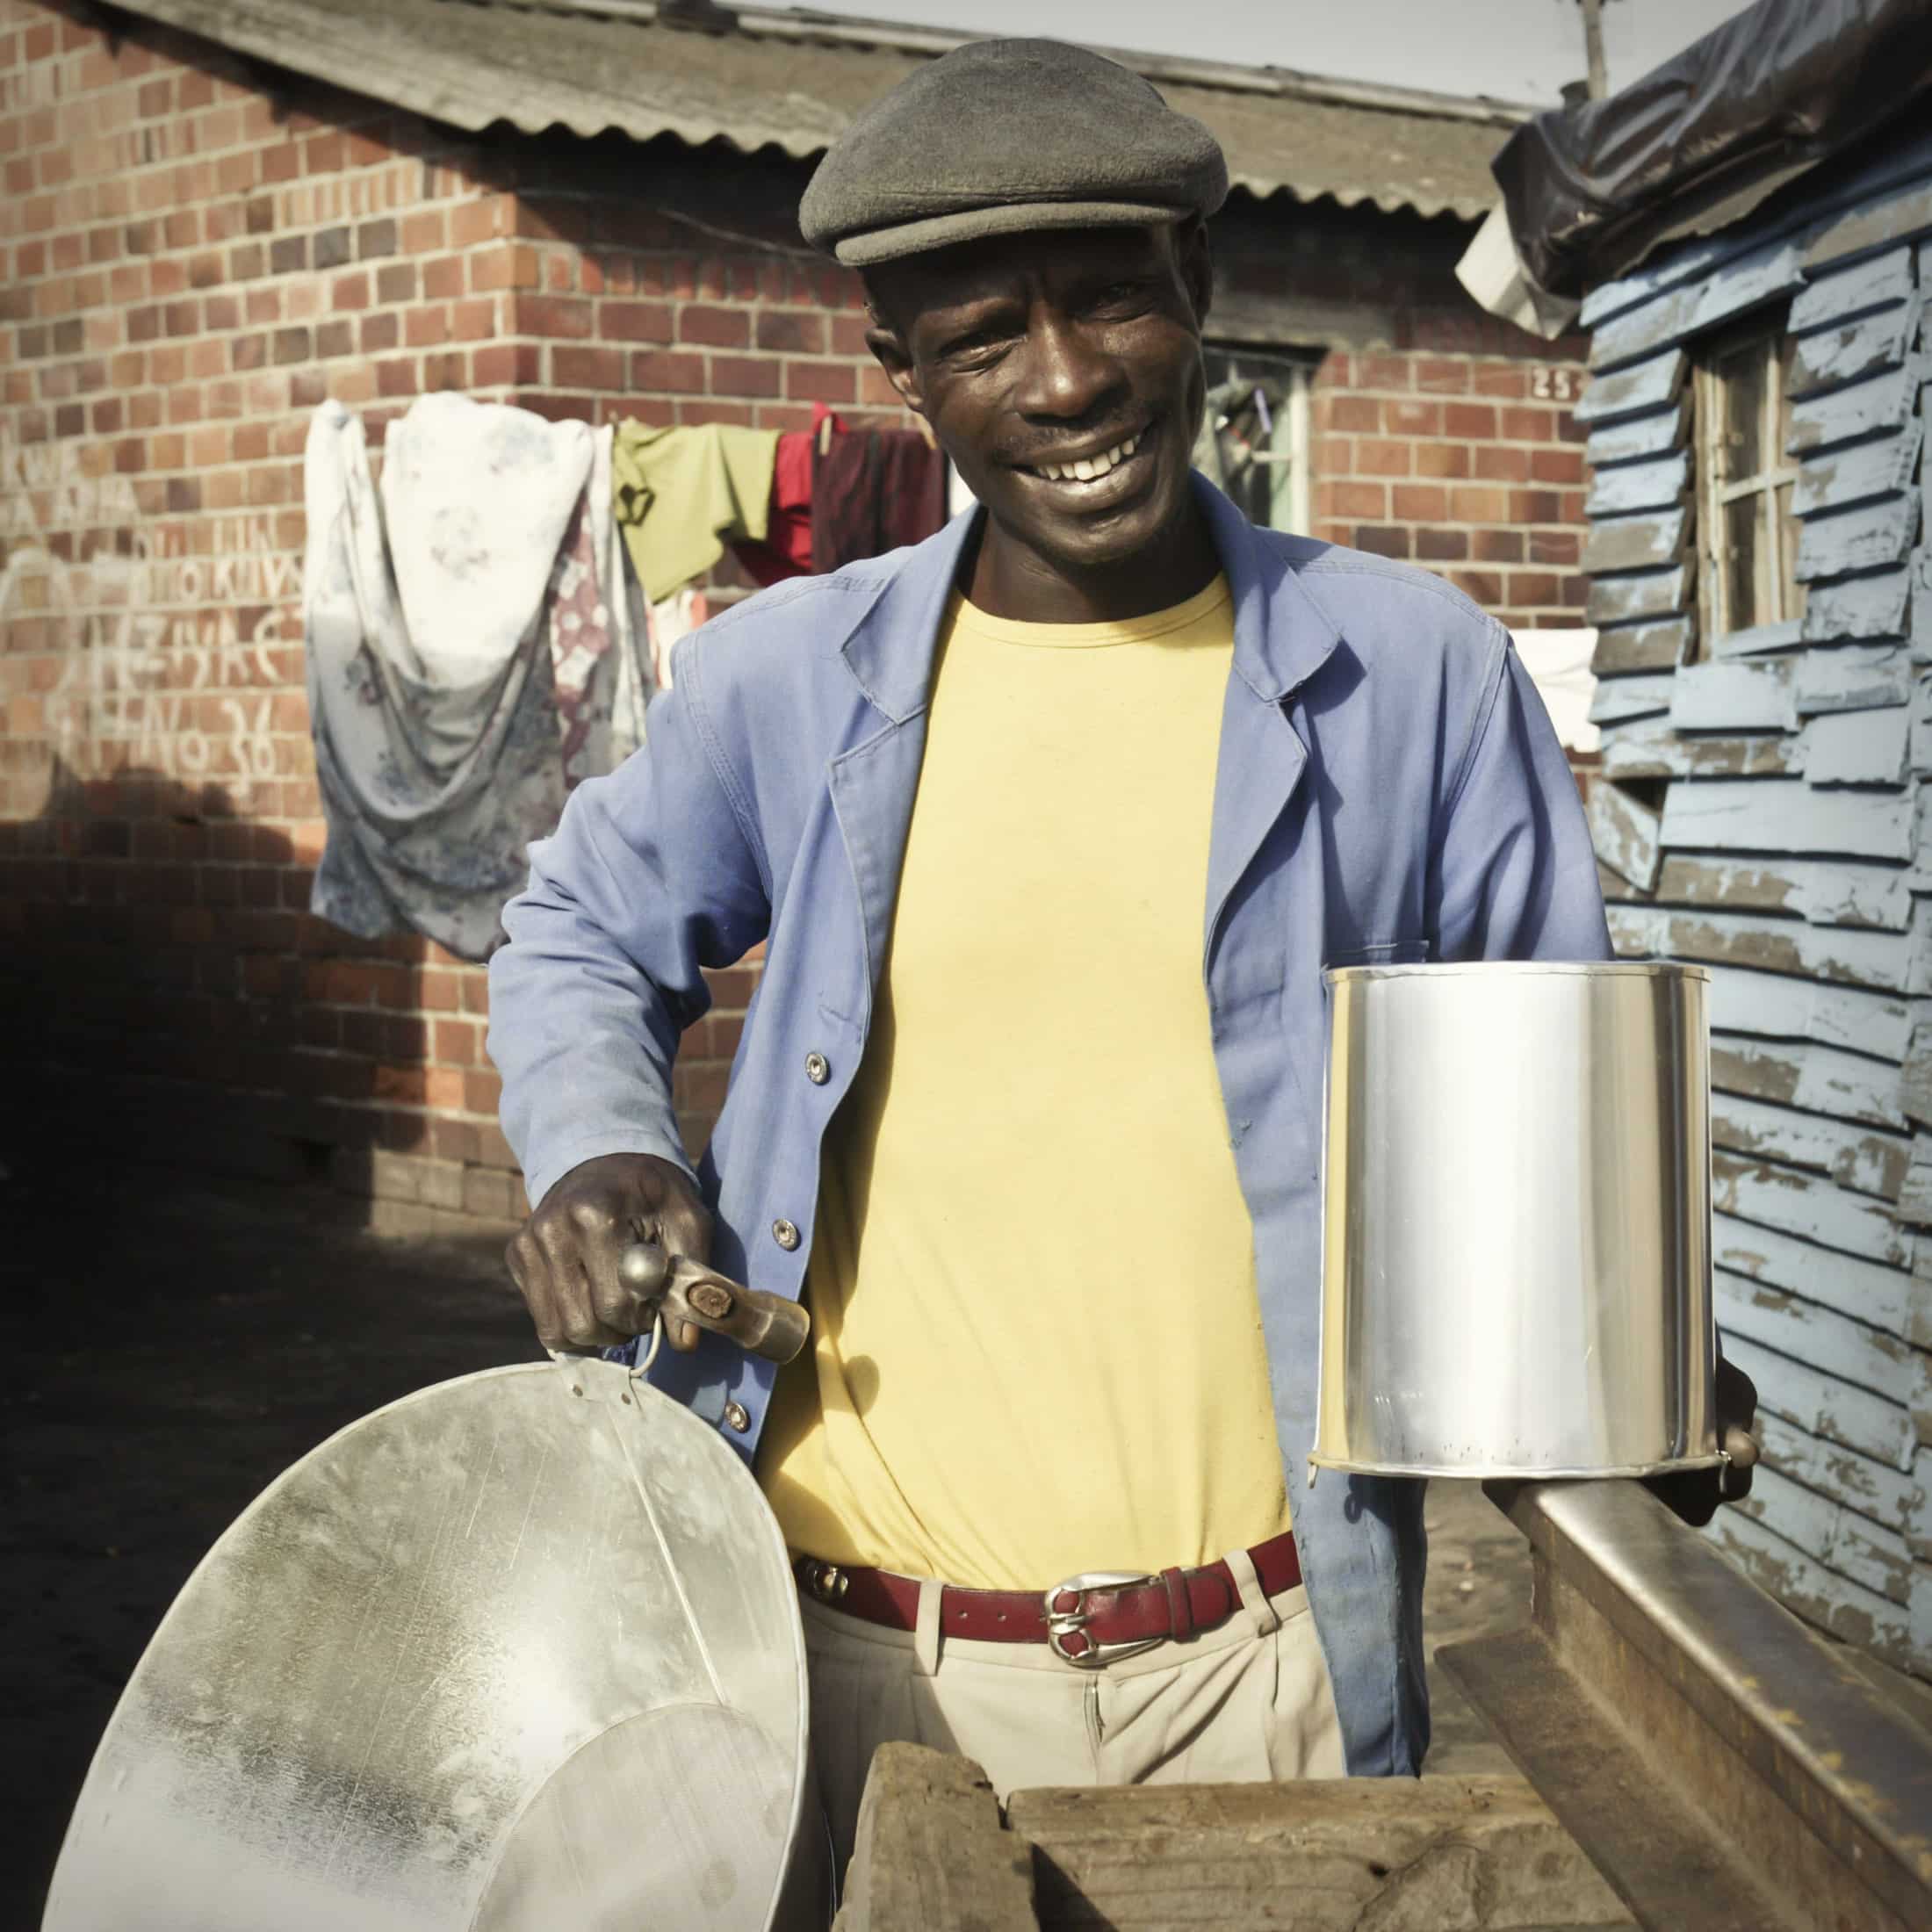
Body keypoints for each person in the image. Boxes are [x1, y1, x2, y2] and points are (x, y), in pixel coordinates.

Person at [487, 36, 1757, 1869]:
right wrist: (601, 1142)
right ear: (900, 370)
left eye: (1107, 305)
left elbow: (1541, 1109)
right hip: (845, 1652)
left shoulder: (1408, 676)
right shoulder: (785, 682)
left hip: (1266, 1660)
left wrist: (1619, 1367)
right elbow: (578, 929)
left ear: (1198, 292)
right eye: (984, 335)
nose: (1066, 380)